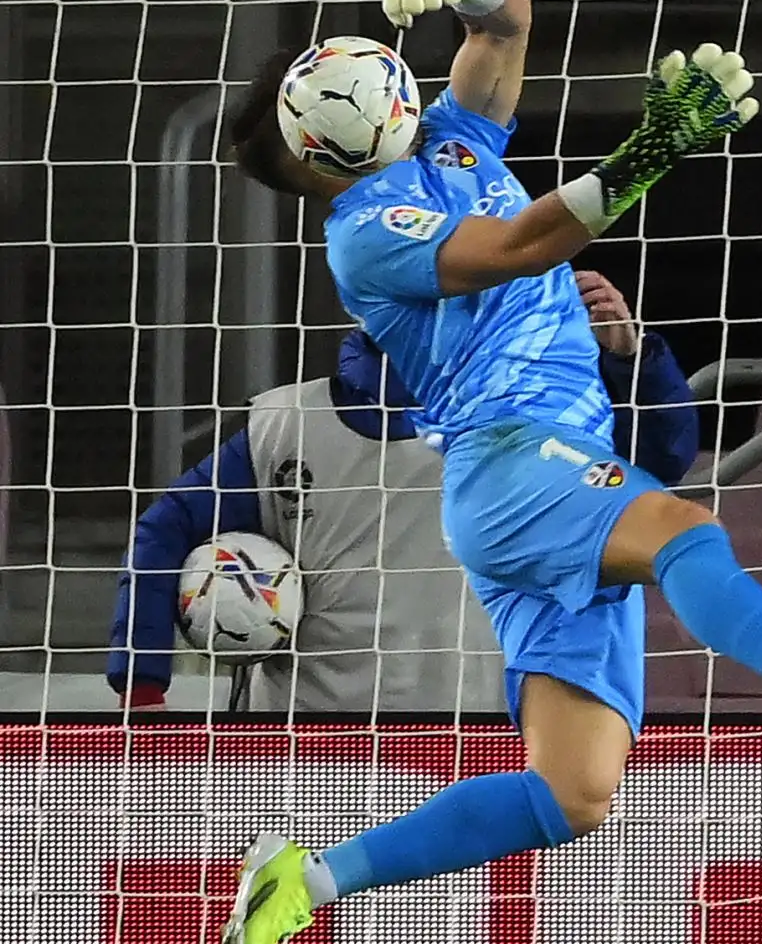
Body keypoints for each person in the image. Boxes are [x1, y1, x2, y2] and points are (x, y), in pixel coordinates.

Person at [214, 0, 762, 944]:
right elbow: (521, 245)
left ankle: (310, 879)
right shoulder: (367, 232)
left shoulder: (457, 141)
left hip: (543, 474)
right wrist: (657, 144)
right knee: (681, 530)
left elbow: (507, 25)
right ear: (326, 150)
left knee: (575, 796)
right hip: (513, 461)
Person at [106, 271, 696, 715]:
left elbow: (663, 460)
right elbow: (165, 528)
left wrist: (631, 362)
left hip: (479, 738)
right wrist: (142, 688)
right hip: (304, 748)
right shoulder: (284, 425)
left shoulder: (536, 417)